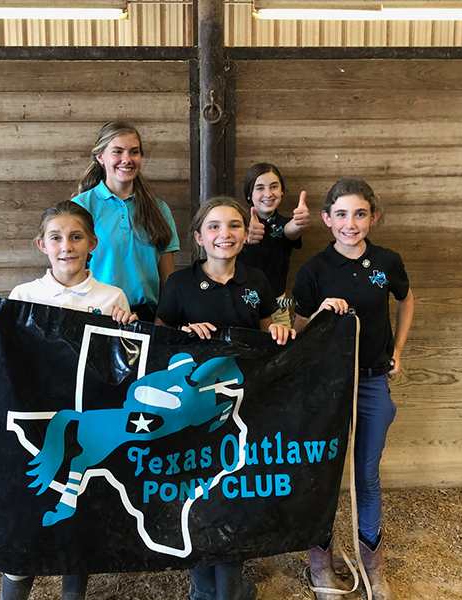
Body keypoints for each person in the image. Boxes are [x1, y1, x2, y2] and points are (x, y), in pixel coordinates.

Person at [0, 200, 137, 600]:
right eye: (56, 238)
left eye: (76, 237)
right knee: (28, 514)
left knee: (79, 518)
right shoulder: (23, 296)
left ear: (93, 243)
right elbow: (2, 368)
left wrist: (126, 331)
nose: (66, 246)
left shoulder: (113, 298)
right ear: (42, 245)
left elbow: (121, 374)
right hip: (36, 426)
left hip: (86, 429)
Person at [156, 196, 295, 600]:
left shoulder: (257, 280)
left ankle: (231, 590)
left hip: (245, 408)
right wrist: (184, 333)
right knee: (199, 499)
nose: (225, 234)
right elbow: (160, 341)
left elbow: (272, 329)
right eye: (214, 227)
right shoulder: (179, 284)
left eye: (234, 225)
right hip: (196, 413)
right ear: (198, 237)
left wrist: (280, 333)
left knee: (236, 497)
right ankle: (204, 590)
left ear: (245, 234)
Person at [292, 178, 414, 600]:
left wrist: (398, 349)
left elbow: (406, 299)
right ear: (326, 219)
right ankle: (321, 564)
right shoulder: (314, 271)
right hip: (327, 384)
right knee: (324, 471)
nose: (350, 223)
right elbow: (298, 330)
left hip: (374, 379)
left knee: (366, 473)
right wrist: (323, 313)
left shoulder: (388, 261)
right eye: (341, 214)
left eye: (360, 213)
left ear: (373, 217)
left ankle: (372, 566)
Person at [72, 121, 180, 322]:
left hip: (147, 317)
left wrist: (162, 322)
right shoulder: (80, 207)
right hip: (96, 314)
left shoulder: (160, 209)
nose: (127, 159)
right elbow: (69, 271)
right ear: (100, 157)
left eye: (134, 152)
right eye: (118, 151)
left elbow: (168, 279)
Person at [239, 163, 310, 327]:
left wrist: (298, 224)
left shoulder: (283, 224)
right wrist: (245, 237)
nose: (268, 194)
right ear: (249, 194)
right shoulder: (236, 225)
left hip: (276, 310)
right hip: (240, 306)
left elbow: (289, 231)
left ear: (282, 191)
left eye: (274, 187)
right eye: (260, 188)